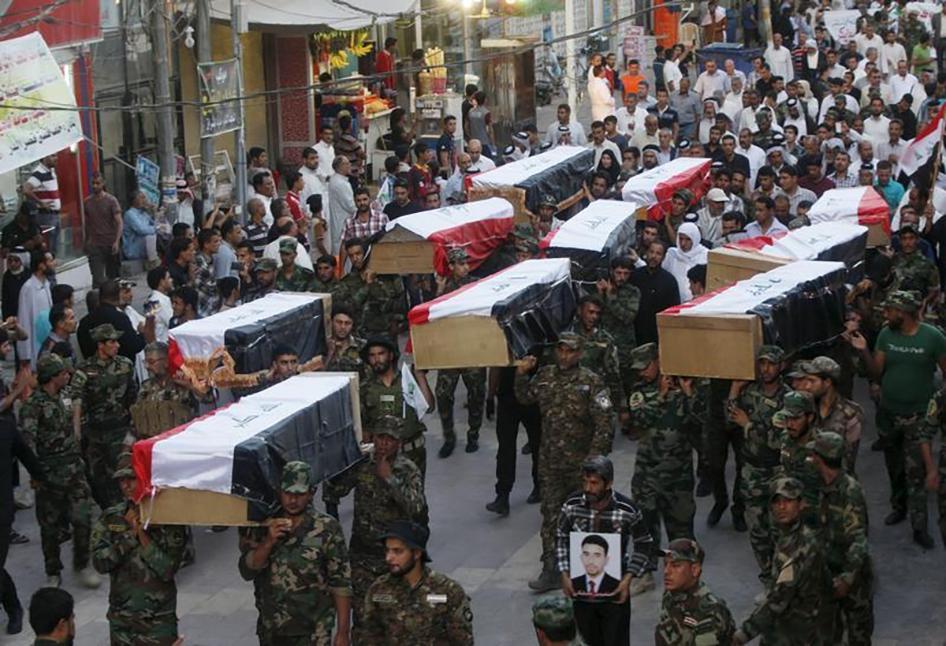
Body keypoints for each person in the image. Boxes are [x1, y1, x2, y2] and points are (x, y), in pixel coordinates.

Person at [515, 332, 614, 592]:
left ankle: (587, 571)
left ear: (579, 353)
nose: (564, 355)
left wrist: (594, 465)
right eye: (561, 350)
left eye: (570, 351)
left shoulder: (592, 382)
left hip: (581, 466)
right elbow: (525, 397)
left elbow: (604, 424)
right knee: (551, 516)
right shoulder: (546, 376)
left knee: (586, 517)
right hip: (550, 463)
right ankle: (551, 569)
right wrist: (521, 374)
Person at [849, 290, 946, 549]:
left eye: (890, 310)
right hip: (889, 414)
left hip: (919, 417)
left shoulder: (933, 337)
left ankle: (919, 526)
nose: (885, 314)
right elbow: (876, 373)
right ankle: (898, 507)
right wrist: (863, 350)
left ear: (903, 313)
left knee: (916, 472)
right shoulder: (885, 335)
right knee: (894, 466)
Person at [324, 416, 427, 639]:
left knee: (394, 619)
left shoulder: (408, 470)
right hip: (362, 557)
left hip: (393, 559)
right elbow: (336, 490)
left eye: (391, 439)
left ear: (399, 442)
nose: (385, 444)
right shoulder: (362, 465)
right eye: (381, 437)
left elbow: (416, 507)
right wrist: (335, 463)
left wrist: (389, 479)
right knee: (363, 619)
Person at [238, 461, 351, 645]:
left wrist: (343, 632)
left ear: (311, 492)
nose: (292, 500)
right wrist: (268, 542)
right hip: (273, 631)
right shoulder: (263, 525)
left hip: (314, 632)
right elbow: (247, 571)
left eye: (299, 494)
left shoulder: (327, 528)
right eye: (288, 493)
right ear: (279, 491)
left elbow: (341, 582)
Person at [625, 342, 700, 595]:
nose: (642, 372)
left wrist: (688, 395)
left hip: (679, 474)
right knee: (646, 526)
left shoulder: (684, 387)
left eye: (645, 366)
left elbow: (700, 423)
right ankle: (646, 572)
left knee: (681, 525)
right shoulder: (640, 392)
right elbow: (640, 419)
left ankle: (685, 574)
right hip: (648, 474)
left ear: (658, 361)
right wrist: (661, 395)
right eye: (639, 369)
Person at [21, 354, 99, 589]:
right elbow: (28, 443)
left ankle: (82, 564)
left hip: (74, 469)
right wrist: (36, 475)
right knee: (50, 527)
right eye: (63, 373)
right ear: (52, 377)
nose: (68, 375)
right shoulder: (33, 406)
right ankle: (53, 571)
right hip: (49, 474)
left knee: (83, 518)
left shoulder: (66, 396)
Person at [92, 452, 187, 645]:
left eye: (131, 479)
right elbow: (100, 563)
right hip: (122, 620)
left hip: (157, 620)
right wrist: (128, 536)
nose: (126, 486)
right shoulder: (112, 518)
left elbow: (168, 569)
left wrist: (141, 535)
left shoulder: (167, 520)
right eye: (121, 480)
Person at [557, 456, 653, 646]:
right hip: (581, 593)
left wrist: (628, 578)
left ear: (608, 483)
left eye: (594, 483)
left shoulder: (627, 510)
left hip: (615, 592)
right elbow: (561, 536)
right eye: (585, 482)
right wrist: (564, 572)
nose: (588, 488)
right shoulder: (572, 505)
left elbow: (644, 543)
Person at [733, 477, 834, 645]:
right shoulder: (787, 535)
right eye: (777, 502)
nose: (782, 507)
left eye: (788, 501)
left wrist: (742, 634)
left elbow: (777, 600)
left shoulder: (802, 546)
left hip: (799, 631)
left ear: (801, 504)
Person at [726, 345, 789, 579]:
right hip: (752, 472)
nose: (766, 369)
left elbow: (779, 440)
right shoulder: (750, 391)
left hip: (778, 472)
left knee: (781, 531)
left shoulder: (788, 398)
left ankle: (783, 581)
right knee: (757, 532)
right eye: (762, 363)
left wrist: (748, 425)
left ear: (781, 366)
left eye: (771, 364)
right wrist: (734, 390)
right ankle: (767, 578)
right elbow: (729, 419)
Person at [809, 432, 874, 644]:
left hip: (853, 576)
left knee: (859, 634)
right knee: (829, 633)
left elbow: (858, 539)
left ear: (820, 457)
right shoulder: (820, 484)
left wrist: (847, 578)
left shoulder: (849, 491)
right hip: (828, 571)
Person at [362, 520, 473, 645]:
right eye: (387, 550)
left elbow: (463, 641)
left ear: (416, 553)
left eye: (398, 551)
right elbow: (368, 636)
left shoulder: (448, 591)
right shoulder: (378, 589)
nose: (389, 558)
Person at [71, 323, 138, 510]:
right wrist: (77, 435)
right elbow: (76, 401)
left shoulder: (125, 366)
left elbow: (133, 397)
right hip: (95, 434)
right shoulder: (84, 370)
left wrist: (134, 429)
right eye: (112, 342)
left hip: (119, 431)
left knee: (122, 476)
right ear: (101, 345)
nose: (117, 345)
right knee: (98, 479)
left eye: (117, 341)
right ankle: (108, 515)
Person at [435, 248, 486, 457]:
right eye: (461, 263)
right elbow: (433, 313)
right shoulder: (444, 287)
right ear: (451, 266)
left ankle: (473, 434)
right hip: (450, 351)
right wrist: (438, 291)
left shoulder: (477, 284)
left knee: (476, 394)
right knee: (444, 395)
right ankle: (449, 437)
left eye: (467, 263)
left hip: (472, 348)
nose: (466, 267)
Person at [656, 538, 735, 645]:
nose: (666, 571)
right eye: (666, 564)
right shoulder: (672, 593)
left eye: (675, 566)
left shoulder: (708, 612)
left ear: (695, 570)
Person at [799, 356, 864, 473]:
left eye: (812, 381)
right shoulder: (805, 407)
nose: (807, 386)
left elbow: (848, 459)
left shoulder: (850, 413)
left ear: (828, 382)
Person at [630, 240, 680, 345]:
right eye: (651, 252)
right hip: (635, 333)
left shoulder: (669, 281)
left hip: (657, 335)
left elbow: (673, 311)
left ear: (663, 257)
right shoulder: (635, 276)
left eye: (658, 253)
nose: (654, 256)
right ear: (646, 253)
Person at [83, 172, 123, 287]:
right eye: (93, 183)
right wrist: (86, 241)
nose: (95, 186)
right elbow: (87, 223)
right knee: (97, 278)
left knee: (113, 277)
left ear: (103, 183)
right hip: (95, 244)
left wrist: (116, 241)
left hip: (110, 243)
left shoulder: (111, 201)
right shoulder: (87, 202)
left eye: (98, 183)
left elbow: (119, 222)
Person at [23, 154, 61, 254]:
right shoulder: (39, 172)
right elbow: (26, 190)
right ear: (44, 157)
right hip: (45, 216)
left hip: (54, 215)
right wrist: (41, 203)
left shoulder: (51, 171)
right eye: (53, 156)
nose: (56, 158)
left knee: (54, 248)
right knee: (47, 249)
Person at [662, 222, 708, 303]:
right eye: (681, 239)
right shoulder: (672, 254)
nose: (683, 243)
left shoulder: (705, 255)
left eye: (688, 239)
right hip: (673, 301)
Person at [327, 156, 356, 256]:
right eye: (347, 163)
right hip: (342, 219)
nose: (349, 165)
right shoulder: (340, 183)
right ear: (340, 166)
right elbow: (350, 206)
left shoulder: (336, 180)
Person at [121, 191, 159, 268]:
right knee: (151, 236)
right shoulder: (130, 214)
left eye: (144, 198)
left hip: (143, 247)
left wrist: (154, 212)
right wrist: (156, 228)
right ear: (134, 200)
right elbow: (142, 230)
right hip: (133, 249)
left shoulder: (144, 213)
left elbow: (156, 224)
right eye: (142, 198)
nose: (144, 200)